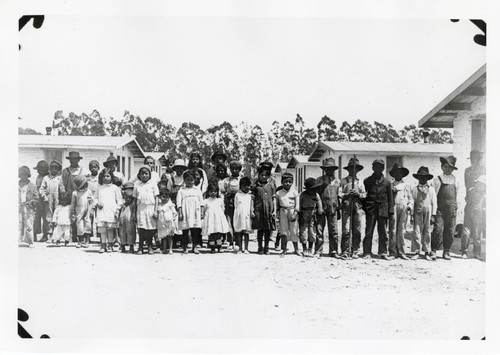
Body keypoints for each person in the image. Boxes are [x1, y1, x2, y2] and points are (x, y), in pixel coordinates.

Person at [363, 159, 394, 260]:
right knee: (369, 231)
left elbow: (390, 198)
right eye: (376, 166)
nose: (378, 169)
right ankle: (367, 252)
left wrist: (390, 211)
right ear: (372, 168)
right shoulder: (367, 181)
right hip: (371, 209)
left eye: (380, 167)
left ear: (383, 168)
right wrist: (366, 208)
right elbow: (364, 196)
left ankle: (383, 252)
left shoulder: (387, 183)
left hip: (383, 210)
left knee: (383, 232)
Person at [430, 156, 459, 260]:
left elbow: (456, 193)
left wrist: (454, 206)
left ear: (453, 169)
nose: (448, 169)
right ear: (442, 167)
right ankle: (433, 250)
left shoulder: (455, 180)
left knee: (450, 231)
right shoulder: (437, 179)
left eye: (450, 167)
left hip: (451, 209)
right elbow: (433, 195)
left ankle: (446, 251)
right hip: (440, 209)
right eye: (445, 166)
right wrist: (434, 210)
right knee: (438, 229)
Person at [338, 158, 366, 260]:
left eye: (355, 169)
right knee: (346, 230)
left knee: (357, 230)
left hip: (357, 207)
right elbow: (339, 194)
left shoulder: (360, 182)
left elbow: (364, 195)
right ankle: (345, 251)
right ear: (348, 170)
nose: (353, 171)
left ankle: (355, 250)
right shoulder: (343, 181)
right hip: (346, 207)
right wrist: (347, 194)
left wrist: (358, 194)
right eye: (351, 169)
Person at [60, 151, 90, 242]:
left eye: (75, 159)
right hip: (69, 196)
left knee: (82, 217)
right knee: (71, 216)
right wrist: (64, 194)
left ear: (78, 160)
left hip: (80, 197)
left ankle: (85, 236)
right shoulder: (65, 171)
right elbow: (62, 184)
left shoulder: (83, 170)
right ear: (69, 160)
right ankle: (73, 236)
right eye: (71, 159)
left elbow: (87, 181)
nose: (73, 161)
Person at [316, 158, 341, 258]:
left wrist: (338, 209)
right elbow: (316, 194)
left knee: (334, 230)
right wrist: (319, 207)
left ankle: (334, 250)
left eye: (331, 169)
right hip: (322, 207)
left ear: (334, 170)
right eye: (327, 169)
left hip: (333, 208)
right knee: (319, 229)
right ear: (324, 169)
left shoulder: (337, 181)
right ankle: (318, 250)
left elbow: (339, 196)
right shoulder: (319, 180)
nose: (329, 171)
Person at [410, 166, 437, 261]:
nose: (422, 179)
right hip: (417, 212)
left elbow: (434, 202)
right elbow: (412, 201)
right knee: (416, 231)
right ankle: (416, 251)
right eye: (420, 177)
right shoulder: (414, 189)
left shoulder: (431, 189)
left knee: (427, 231)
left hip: (428, 212)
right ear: (418, 178)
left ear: (427, 178)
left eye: (424, 177)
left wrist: (433, 215)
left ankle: (427, 251)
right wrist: (412, 215)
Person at [388, 163, 413, 260]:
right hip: (394, 207)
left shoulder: (406, 185)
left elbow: (410, 198)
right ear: (393, 174)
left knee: (402, 230)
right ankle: (393, 252)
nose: (398, 174)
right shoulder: (391, 185)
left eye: (400, 172)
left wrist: (409, 206)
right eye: (396, 172)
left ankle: (402, 252)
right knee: (393, 230)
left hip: (403, 208)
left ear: (403, 174)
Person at [463, 150, 486, 258]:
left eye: (475, 159)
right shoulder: (467, 170)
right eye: (472, 159)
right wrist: (469, 195)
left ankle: (477, 252)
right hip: (470, 198)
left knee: (477, 231)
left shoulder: (484, 170)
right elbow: (466, 184)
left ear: (479, 159)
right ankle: (464, 251)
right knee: (466, 231)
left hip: (479, 201)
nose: (473, 161)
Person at [96, 168, 123, 253]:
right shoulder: (99, 187)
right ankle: (103, 245)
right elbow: (95, 198)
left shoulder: (115, 188)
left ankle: (110, 245)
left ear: (111, 177)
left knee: (110, 229)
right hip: (101, 210)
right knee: (102, 229)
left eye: (108, 176)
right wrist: (97, 203)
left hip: (111, 211)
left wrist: (117, 209)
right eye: (104, 176)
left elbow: (119, 200)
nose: (106, 178)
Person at [177, 170, 205, 254]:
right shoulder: (181, 190)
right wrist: (180, 213)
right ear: (184, 180)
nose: (190, 182)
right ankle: (185, 247)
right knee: (185, 231)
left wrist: (202, 212)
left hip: (195, 212)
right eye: (188, 180)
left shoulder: (197, 190)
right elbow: (179, 203)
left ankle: (194, 247)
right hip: (186, 212)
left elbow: (201, 202)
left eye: (192, 180)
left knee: (195, 231)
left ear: (194, 180)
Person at [133, 165, 159, 255]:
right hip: (141, 209)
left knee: (150, 229)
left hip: (150, 208)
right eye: (142, 174)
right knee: (141, 229)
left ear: (149, 174)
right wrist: (134, 212)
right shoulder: (136, 184)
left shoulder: (153, 184)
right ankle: (140, 247)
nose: (144, 175)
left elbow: (156, 198)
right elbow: (135, 199)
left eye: (146, 173)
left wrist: (155, 210)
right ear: (139, 175)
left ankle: (150, 246)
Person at [252, 165, 276, 255]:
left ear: (268, 176)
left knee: (267, 229)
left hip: (268, 210)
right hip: (259, 210)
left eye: (266, 175)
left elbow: (274, 199)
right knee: (260, 230)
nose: (264, 177)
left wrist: (274, 210)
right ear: (259, 175)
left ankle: (266, 247)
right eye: (262, 175)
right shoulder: (256, 186)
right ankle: (260, 247)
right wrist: (252, 210)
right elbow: (252, 199)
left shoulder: (271, 186)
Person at [202, 181, 231, 253]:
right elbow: (204, 210)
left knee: (218, 233)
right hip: (210, 219)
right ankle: (212, 247)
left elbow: (222, 209)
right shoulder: (206, 201)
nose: (213, 193)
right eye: (211, 191)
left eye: (215, 191)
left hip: (218, 219)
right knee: (211, 233)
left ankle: (219, 246)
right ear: (208, 192)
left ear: (217, 192)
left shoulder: (219, 200)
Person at [276, 173, 300, 256]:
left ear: (292, 182)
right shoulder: (278, 193)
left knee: (294, 231)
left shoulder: (294, 192)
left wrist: (295, 214)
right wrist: (277, 215)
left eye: (290, 182)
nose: (288, 183)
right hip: (283, 212)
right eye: (285, 182)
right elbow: (277, 205)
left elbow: (297, 205)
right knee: (284, 231)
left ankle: (296, 249)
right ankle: (284, 250)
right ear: (282, 182)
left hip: (292, 211)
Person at [298, 177, 323, 257]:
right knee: (303, 232)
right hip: (304, 214)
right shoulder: (303, 195)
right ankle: (304, 249)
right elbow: (299, 204)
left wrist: (319, 210)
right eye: (312, 189)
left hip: (313, 214)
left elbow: (319, 203)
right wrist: (299, 213)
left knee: (312, 232)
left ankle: (310, 248)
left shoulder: (316, 195)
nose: (313, 190)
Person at [222, 160, 242, 250]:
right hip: (229, 202)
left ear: (239, 170)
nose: (234, 171)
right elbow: (223, 191)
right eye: (233, 169)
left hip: (239, 203)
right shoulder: (227, 180)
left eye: (236, 169)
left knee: (237, 222)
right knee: (229, 222)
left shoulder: (241, 180)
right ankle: (230, 242)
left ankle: (238, 242)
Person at [39, 160, 62, 241]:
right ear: (50, 169)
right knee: (48, 217)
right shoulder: (46, 178)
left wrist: (62, 199)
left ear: (58, 170)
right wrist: (44, 196)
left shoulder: (60, 178)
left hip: (57, 199)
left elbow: (62, 189)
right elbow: (42, 189)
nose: (54, 170)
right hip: (48, 199)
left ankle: (55, 236)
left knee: (56, 216)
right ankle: (47, 234)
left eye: (56, 168)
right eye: (52, 168)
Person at [70, 175, 93, 248]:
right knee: (79, 225)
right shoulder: (75, 193)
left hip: (87, 210)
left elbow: (91, 201)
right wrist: (73, 213)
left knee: (87, 224)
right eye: (84, 183)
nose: (86, 184)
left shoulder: (88, 191)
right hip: (79, 211)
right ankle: (80, 240)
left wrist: (92, 209)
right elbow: (73, 204)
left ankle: (86, 241)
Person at [169, 159, 188, 249]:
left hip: (183, 203)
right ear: (175, 169)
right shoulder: (171, 179)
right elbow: (168, 192)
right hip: (173, 203)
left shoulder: (185, 179)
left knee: (183, 221)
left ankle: (184, 241)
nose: (179, 170)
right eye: (177, 168)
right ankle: (174, 241)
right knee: (174, 222)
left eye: (181, 168)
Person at [18, 166, 39, 246]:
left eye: (25, 175)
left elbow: (36, 198)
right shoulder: (16, 185)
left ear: (28, 175)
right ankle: (17, 240)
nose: (23, 176)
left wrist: (29, 203)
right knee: (18, 223)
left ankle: (30, 241)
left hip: (28, 208)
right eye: (22, 175)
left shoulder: (32, 186)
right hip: (18, 207)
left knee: (29, 224)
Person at [233, 176, 254, 254]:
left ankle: (246, 248)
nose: (247, 187)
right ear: (241, 186)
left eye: (248, 186)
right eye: (245, 186)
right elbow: (236, 205)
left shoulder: (250, 195)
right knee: (239, 232)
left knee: (246, 232)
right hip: (239, 215)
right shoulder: (238, 195)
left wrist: (252, 213)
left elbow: (251, 205)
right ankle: (240, 248)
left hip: (247, 216)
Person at [156, 187, 177, 254]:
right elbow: (158, 213)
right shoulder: (159, 205)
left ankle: (170, 249)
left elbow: (174, 213)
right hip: (162, 223)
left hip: (169, 222)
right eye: (163, 197)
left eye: (166, 197)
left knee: (170, 237)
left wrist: (173, 219)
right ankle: (164, 249)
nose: (165, 199)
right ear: (160, 197)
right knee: (164, 237)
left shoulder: (170, 204)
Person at [33, 160, 50, 242]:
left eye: (40, 170)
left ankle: (46, 235)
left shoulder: (47, 178)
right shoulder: (38, 177)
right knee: (37, 218)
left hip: (45, 199)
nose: (38, 171)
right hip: (38, 199)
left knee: (46, 217)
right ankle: (35, 234)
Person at [118, 182, 137, 253]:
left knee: (131, 231)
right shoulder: (122, 200)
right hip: (123, 216)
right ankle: (122, 246)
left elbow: (135, 208)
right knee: (122, 231)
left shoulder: (134, 201)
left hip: (130, 216)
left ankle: (131, 246)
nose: (128, 198)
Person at [88, 160, 100, 240]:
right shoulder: (87, 178)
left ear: (98, 168)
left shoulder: (100, 178)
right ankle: (89, 234)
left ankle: (100, 235)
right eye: (91, 167)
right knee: (89, 217)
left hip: (98, 199)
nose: (93, 169)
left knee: (99, 217)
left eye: (95, 167)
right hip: (89, 199)